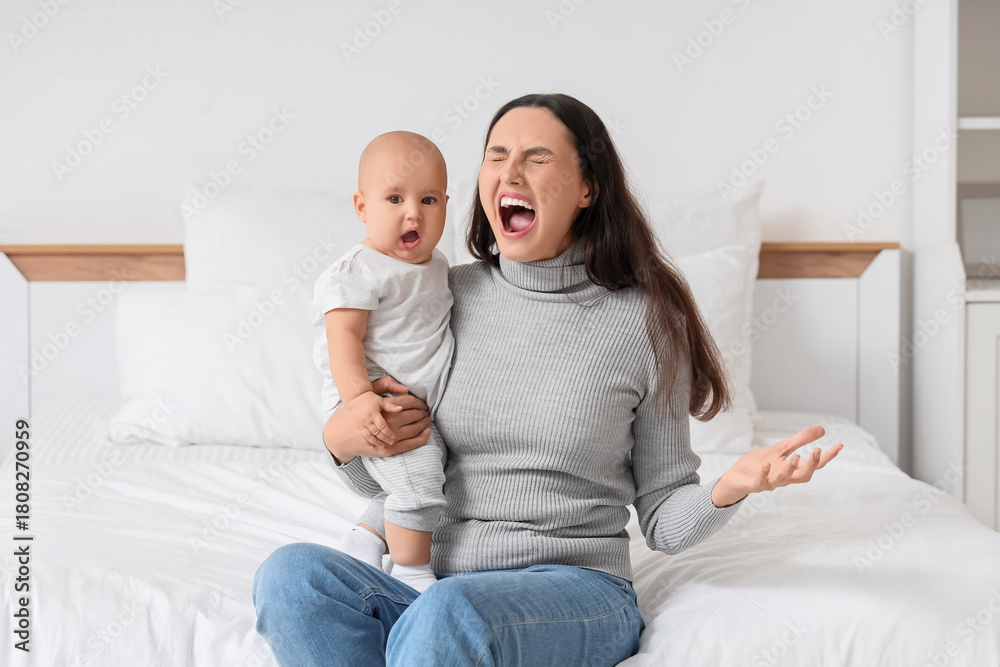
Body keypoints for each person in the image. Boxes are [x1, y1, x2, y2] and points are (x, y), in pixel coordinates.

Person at [254, 93, 844, 666]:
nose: (510, 172)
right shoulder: (441, 294)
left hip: (574, 592)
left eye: (536, 157)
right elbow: (384, 476)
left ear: (588, 187)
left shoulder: (644, 320)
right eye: (496, 155)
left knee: (451, 614)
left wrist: (730, 487)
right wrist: (343, 438)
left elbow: (663, 520)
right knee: (291, 579)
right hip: (432, 582)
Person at [311, 130, 453, 593]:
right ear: (362, 208)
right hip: (371, 396)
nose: (414, 211)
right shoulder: (360, 270)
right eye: (394, 198)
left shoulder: (437, 267)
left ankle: (366, 538)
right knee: (420, 478)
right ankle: (413, 573)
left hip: (418, 404)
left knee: (433, 471)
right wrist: (359, 401)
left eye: (429, 199)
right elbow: (344, 339)